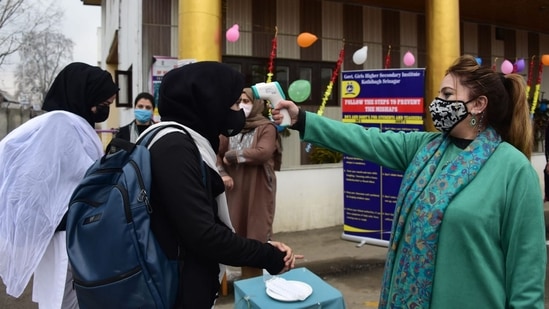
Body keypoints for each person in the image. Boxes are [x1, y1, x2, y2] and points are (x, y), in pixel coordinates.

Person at [272, 54, 546, 308]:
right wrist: (302, 119)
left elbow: (527, 271)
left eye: (447, 94)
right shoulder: (426, 148)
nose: (436, 102)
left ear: (478, 104)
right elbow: (366, 140)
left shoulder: (514, 169)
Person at [142, 61, 301, 308]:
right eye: (235, 103)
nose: (240, 110)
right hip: (169, 290)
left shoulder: (181, 141)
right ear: (209, 102)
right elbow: (204, 235)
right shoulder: (175, 148)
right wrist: (267, 256)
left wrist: (264, 246)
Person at [0, 62, 118, 308]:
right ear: (83, 96)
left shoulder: (67, 123)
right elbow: (72, 177)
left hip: (68, 233)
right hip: (65, 236)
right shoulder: (62, 125)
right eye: (103, 105)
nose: (105, 111)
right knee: (65, 300)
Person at [216, 88, 283, 279]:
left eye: (247, 100)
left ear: (257, 104)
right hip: (234, 189)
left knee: (256, 237)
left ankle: (251, 290)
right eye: (239, 101)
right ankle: (227, 283)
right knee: (233, 235)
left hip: (258, 189)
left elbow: (263, 152)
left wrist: (233, 155)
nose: (243, 104)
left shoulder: (266, 127)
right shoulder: (229, 127)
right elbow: (215, 152)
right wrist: (221, 172)